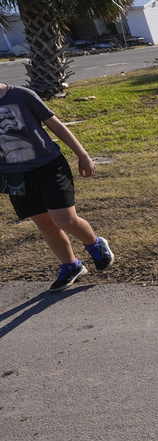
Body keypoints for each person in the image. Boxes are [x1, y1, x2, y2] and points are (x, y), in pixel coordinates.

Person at [0, 82, 115, 291]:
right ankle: (72, 266)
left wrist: (83, 155)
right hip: (14, 175)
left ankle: (95, 244)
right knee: (45, 225)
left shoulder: (21, 95)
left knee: (65, 219)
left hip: (48, 167)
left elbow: (56, 125)